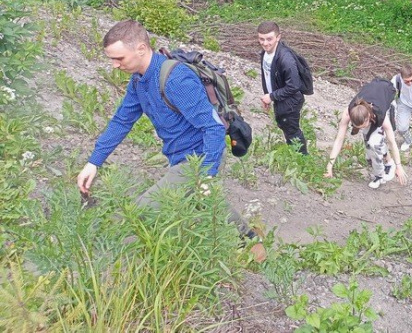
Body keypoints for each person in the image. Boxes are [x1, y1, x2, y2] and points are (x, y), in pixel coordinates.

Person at [76, 20, 264, 262]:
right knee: (207, 202)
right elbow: (122, 121)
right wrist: (94, 162)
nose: (114, 65)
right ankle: (250, 239)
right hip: (177, 157)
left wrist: (205, 173)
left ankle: (111, 259)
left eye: (119, 58)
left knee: (144, 210)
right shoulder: (139, 80)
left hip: (197, 158)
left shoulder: (176, 79)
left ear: (141, 49)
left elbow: (213, 127)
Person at [324, 79, 408, 189]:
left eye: (363, 126)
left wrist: (399, 166)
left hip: (387, 97)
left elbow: (391, 142)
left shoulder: (381, 116)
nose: (362, 129)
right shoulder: (348, 113)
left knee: (374, 143)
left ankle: (381, 173)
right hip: (372, 91)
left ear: (369, 118)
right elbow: (339, 139)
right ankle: (388, 162)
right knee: (369, 145)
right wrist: (329, 166)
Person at [258, 21, 308, 155]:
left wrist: (271, 96)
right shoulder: (265, 54)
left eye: (269, 39)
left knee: (292, 130)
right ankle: (295, 155)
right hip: (280, 97)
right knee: (284, 126)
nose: (265, 43)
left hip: (291, 100)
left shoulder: (286, 59)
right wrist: (267, 96)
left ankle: (302, 159)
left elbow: (294, 86)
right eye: (261, 39)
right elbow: (267, 76)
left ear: (278, 37)